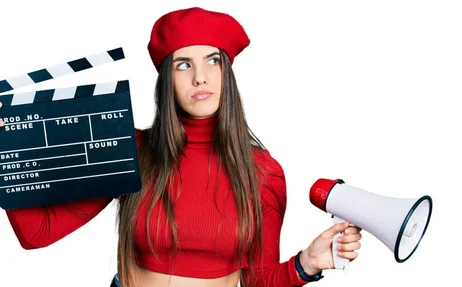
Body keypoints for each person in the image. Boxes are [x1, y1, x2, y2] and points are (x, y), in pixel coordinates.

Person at [1, 6, 363, 287]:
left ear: (226, 74)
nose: (200, 76)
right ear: (166, 80)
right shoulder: (133, 150)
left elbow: (257, 280)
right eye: (183, 64)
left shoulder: (263, 172)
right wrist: (7, 148)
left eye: (213, 61)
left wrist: (307, 264)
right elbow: (38, 232)